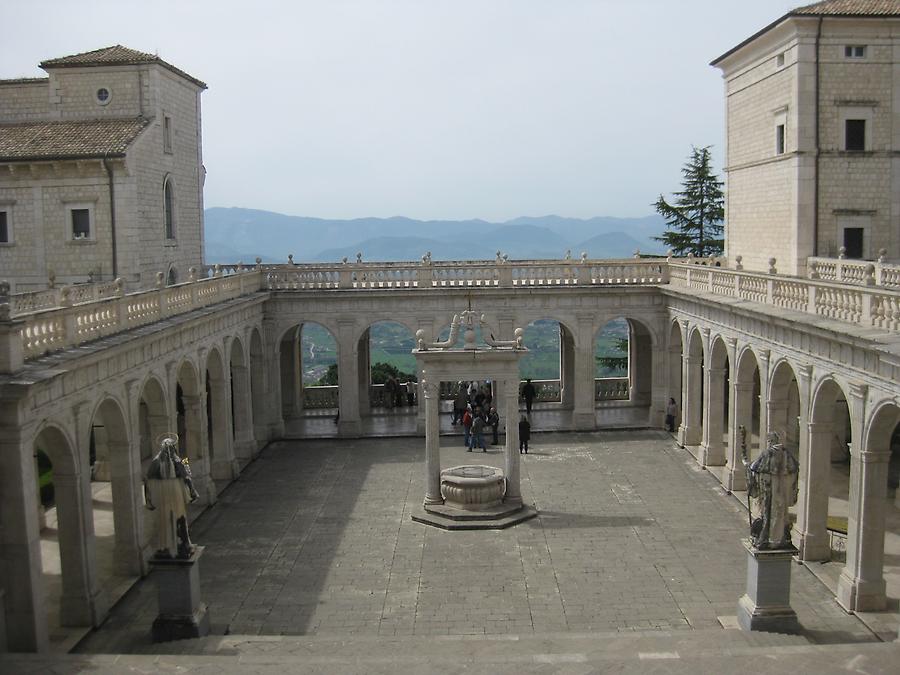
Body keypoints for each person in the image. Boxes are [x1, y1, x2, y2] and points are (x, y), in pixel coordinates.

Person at [144, 434, 198, 559]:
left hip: (162, 494)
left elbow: (147, 480)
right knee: (180, 517)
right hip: (176, 492)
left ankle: (166, 547)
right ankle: (185, 545)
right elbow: (187, 476)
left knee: (164, 520)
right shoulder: (178, 460)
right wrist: (193, 492)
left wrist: (149, 499)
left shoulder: (155, 461)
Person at [746, 431, 799, 550]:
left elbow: (755, 467)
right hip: (782, 492)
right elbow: (794, 469)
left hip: (769, 492)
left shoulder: (768, 453)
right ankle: (780, 539)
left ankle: (766, 539)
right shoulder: (786, 454)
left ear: (771, 441)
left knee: (768, 515)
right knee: (781, 514)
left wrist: (747, 467)